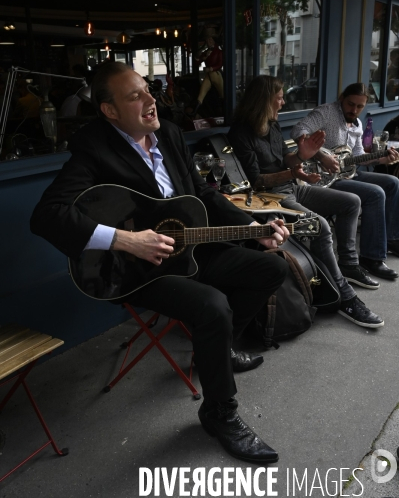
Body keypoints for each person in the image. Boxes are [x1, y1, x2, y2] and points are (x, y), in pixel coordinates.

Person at [30, 62, 291, 464]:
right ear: (110, 111)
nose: (152, 100)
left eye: (148, 90)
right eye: (136, 96)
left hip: (187, 251)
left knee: (272, 266)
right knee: (211, 305)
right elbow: (47, 215)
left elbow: (202, 194)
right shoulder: (94, 146)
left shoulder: (167, 133)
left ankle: (216, 352)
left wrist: (251, 226)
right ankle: (219, 413)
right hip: (136, 269)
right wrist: (126, 240)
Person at [228, 75, 384, 329]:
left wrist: (301, 159)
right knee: (319, 225)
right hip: (270, 197)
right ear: (264, 100)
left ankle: (349, 265)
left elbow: (286, 156)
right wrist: (293, 172)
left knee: (351, 202)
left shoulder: (272, 124)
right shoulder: (241, 132)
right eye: (278, 98)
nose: (282, 103)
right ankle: (345, 296)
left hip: (292, 187)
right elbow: (256, 181)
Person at [291, 82, 399, 279]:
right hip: (325, 177)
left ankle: (390, 238)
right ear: (342, 98)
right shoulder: (325, 112)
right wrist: (322, 156)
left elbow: (357, 155)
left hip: (348, 172)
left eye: (359, 107)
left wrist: (382, 158)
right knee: (375, 193)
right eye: (351, 104)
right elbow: (298, 130)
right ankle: (371, 258)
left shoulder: (357, 123)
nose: (354, 110)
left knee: (392, 182)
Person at [194, 36, 224, 106]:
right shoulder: (205, 52)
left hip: (216, 74)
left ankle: (225, 109)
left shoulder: (219, 52)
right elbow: (197, 63)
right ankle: (195, 110)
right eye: (207, 40)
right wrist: (197, 57)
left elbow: (220, 64)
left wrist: (211, 68)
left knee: (223, 93)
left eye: (210, 39)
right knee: (201, 95)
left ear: (214, 41)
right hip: (209, 75)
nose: (208, 41)